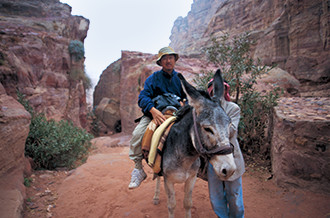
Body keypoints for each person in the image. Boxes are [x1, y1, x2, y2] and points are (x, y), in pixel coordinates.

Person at [128, 47, 185, 189]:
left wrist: (185, 103)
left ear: (174, 60)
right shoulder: (153, 79)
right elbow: (143, 97)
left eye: (170, 57)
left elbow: (188, 97)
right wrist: (153, 110)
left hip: (176, 115)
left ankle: (198, 165)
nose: (168, 60)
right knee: (137, 135)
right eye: (164, 58)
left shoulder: (180, 79)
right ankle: (138, 169)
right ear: (160, 62)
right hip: (156, 114)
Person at [207, 79, 245, 218]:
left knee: (234, 196)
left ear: (224, 90)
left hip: (231, 158)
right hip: (214, 159)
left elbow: (232, 131)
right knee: (215, 196)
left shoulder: (233, 108)